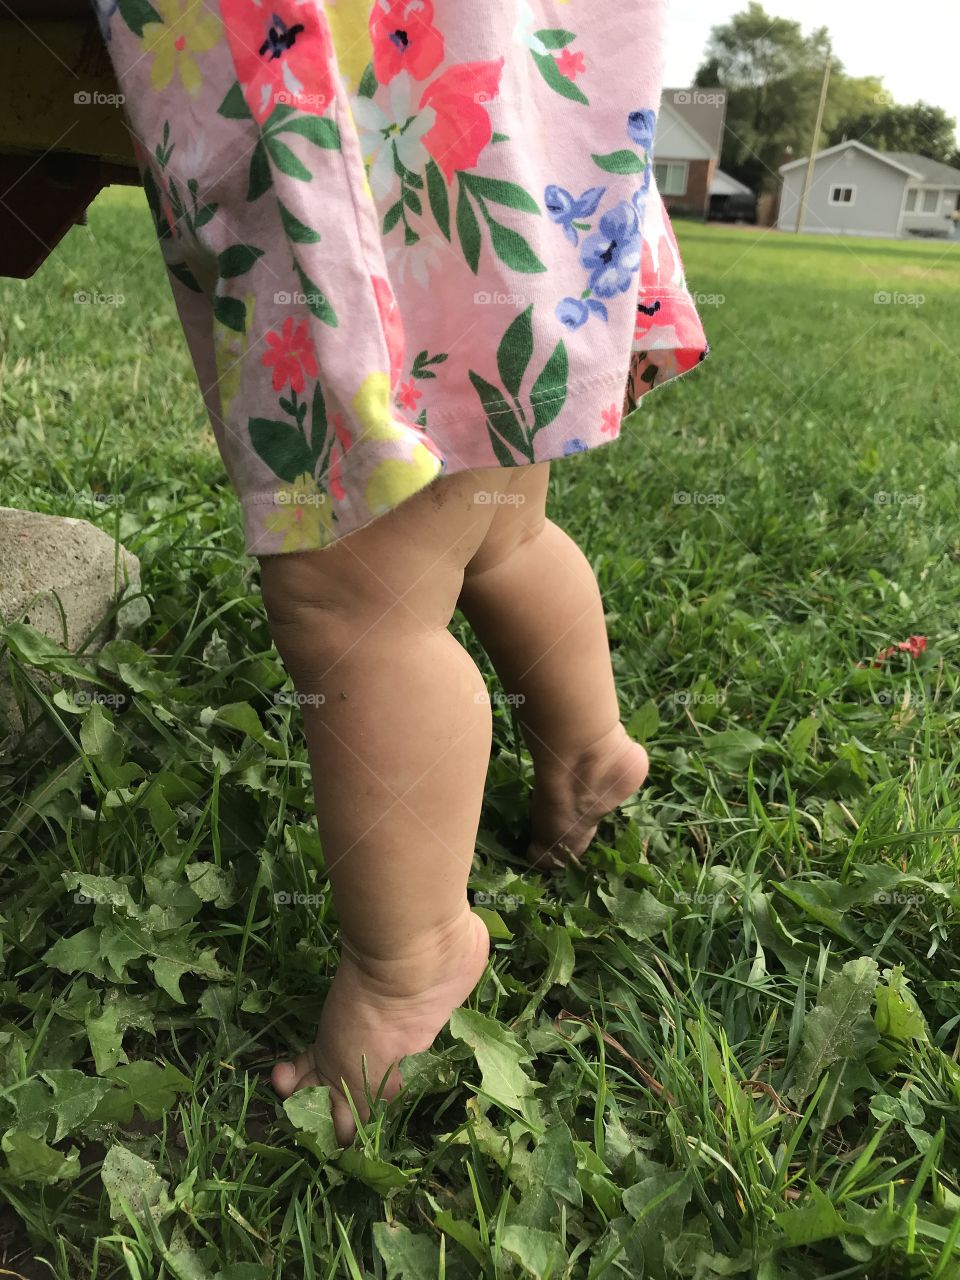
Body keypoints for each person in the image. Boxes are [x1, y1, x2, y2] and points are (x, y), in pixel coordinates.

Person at [98, 0, 708, 1143]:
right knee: (497, 520)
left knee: (357, 601)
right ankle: (586, 748)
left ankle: (410, 959)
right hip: (501, 116)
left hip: (341, 90)